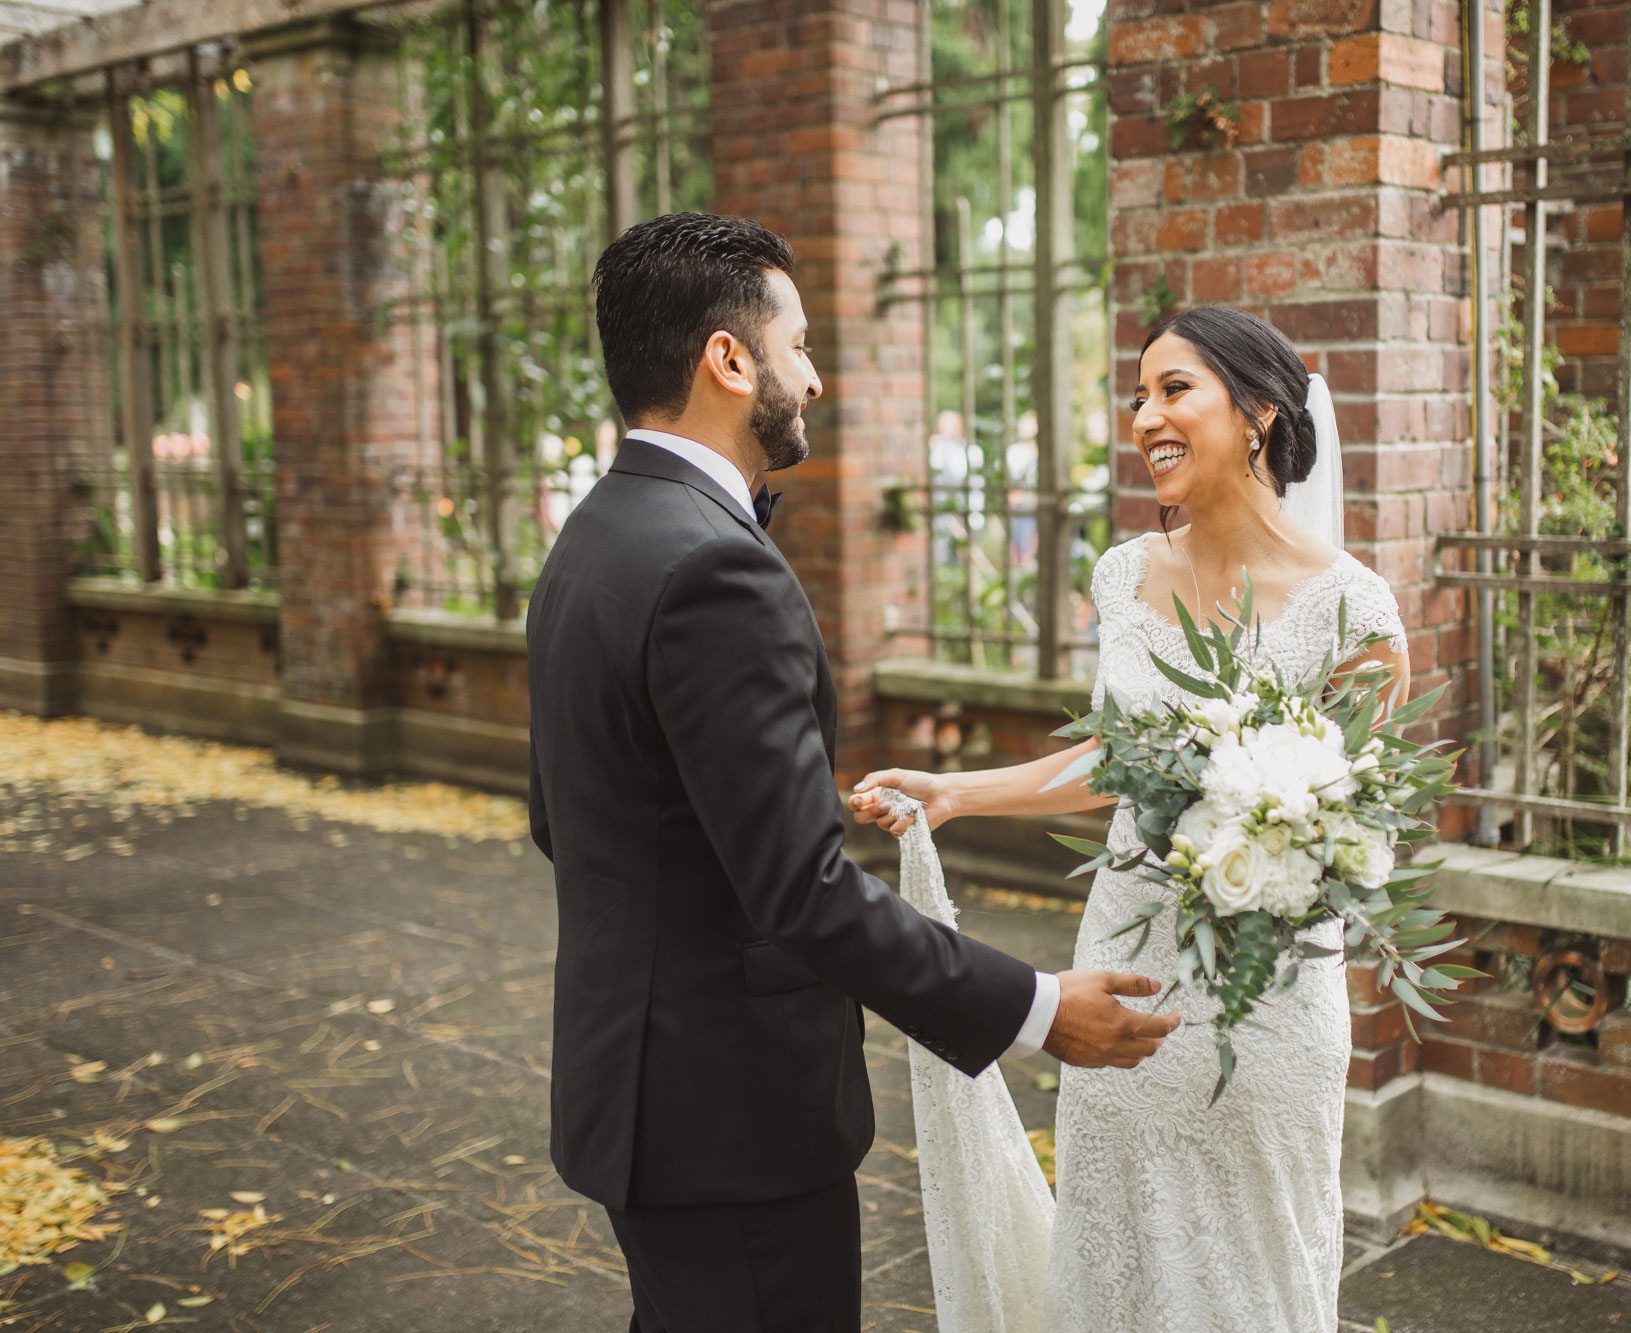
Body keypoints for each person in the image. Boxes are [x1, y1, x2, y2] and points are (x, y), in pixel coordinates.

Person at [525, 212, 1180, 1333]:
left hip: (634, 1086)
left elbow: (562, 816)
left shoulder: (594, 532)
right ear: (729, 360)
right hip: (729, 1118)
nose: (814, 378)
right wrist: (1031, 1009)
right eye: (801, 344)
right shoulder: (716, 569)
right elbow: (801, 894)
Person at [852, 305, 1412, 1330]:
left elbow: (1351, 827)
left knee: (1251, 1265)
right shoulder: (1124, 574)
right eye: (1137, 394)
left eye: (1172, 389)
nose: (1143, 414)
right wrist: (958, 791)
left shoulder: (1354, 614)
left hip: (1262, 992)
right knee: (1118, 1245)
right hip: (1123, 967)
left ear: (1255, 413)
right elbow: (1121, 757)